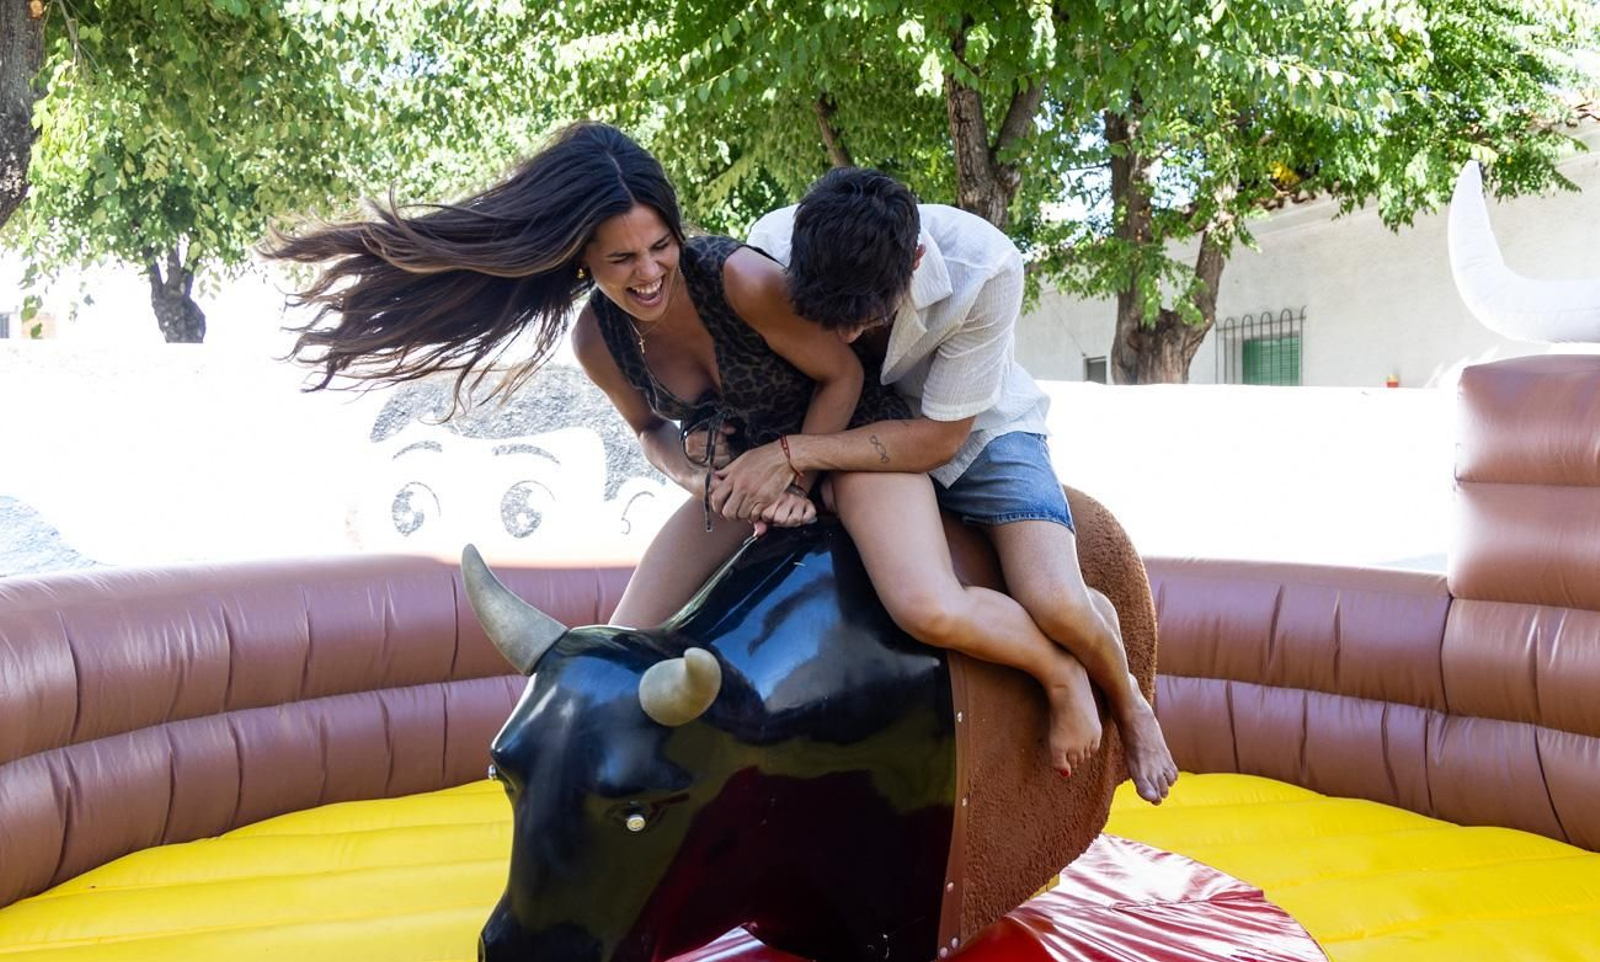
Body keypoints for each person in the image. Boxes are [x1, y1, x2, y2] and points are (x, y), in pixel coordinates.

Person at [270, 122, 1102, 781]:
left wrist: (795, 464)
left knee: (929, 605)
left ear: (677, 230)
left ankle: (1057, 672)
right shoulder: (596, 341)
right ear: (583, 263)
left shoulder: (739, 278)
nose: (647, 272)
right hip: (740, 476)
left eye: (659, 245)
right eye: (620, 260)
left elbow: (843, 370)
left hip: (840, 441)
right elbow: (649, 435)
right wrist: (703, 478)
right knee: (620, 651)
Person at [713, 167, 1177, 804]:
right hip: (853, 427)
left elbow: (939, 439)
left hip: (978, 428)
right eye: (831, 316)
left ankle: (1129, 700)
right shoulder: (768, 249)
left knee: (1058, 603)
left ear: (916, 260)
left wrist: (794, 454)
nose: (846, 335)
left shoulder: (985, 265)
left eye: (862, 317)